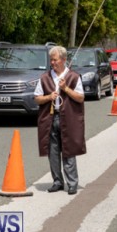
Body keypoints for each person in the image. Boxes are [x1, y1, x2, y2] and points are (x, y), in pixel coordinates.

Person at [35, 46, 86, 195]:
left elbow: (80, 97)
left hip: (68, 118)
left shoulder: (74, 77)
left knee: (69, 150)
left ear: (64, 60)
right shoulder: (44, 77)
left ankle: (72, 183)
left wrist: (66, 89)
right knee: (52, 152)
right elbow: (37, 98)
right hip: (50, 118)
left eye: (55, 60)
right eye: (51, 60)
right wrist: (48, 97)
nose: (52, 62)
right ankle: (57, 182)